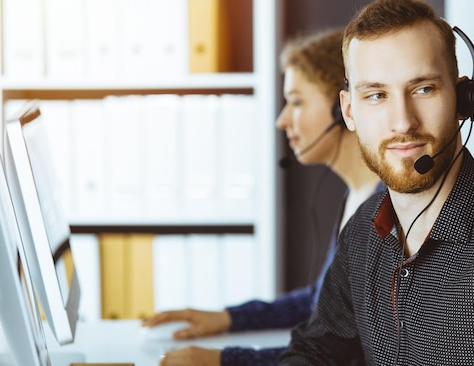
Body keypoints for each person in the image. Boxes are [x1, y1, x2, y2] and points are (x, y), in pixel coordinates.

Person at [279, 0, 474, 365]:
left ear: (464, 100)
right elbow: (314, 350)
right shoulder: (363, 233)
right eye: (376, 95)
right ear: (349, 111)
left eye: (423, 89)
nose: (402, 123)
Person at [143, 28, 384, 366]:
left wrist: (225, 360)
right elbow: (320, 304)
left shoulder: (383, 212)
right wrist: (227, 318)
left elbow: (345, 352)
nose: (282, 119)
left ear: (340, 107)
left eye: (297, 101)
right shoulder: (356, 194)